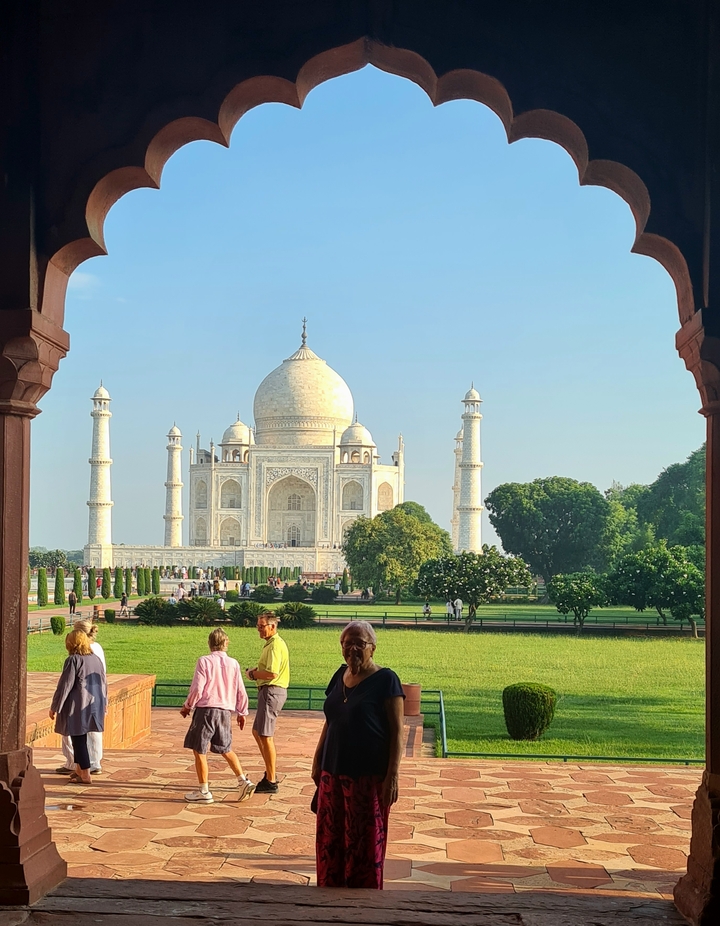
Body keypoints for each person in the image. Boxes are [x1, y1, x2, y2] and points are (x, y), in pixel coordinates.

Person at [312, 621, 404, 889]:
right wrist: (318, 760)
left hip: (367, 778)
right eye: (347, 643)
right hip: (332, 774)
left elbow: (398, 733)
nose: (353, 648)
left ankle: (364, 906)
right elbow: (330, 721)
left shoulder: (386, 680)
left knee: (363, 845)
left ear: (372, 648)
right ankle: (329, 899)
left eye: (360, 643)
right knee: (330, 841)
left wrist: (392, 777)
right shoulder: (339, 675)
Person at [180, 627, 253, 803]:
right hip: (225, 712)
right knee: (226, 748)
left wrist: (188, 705)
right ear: (226, 643)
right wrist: (242, 712)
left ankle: (204, 791)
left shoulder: (204, 661)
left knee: (199, 750)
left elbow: (198, 688)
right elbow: (240, 690)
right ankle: (242, 781)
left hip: (206, 710)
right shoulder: (233, 664)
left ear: (209, 643)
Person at [50, 629, 107, 785]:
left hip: (78, 705)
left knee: (78, 739)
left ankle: (86, 774)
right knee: (80, 737)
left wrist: (55, 707)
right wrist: (104, 704)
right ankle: (79, 770)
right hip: (94, 704)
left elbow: (64, 686)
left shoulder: (73, 660)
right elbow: (103, 683)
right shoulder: (95, 659)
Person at [246, 612, 289, 793]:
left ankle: (271, 779)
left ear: (272, 626)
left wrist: (254, 674)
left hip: (272, 690)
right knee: (258, 732)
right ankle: (270, 772)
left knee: (265, 735)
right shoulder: (272, 644)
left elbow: (272, 674)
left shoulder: (274, 646)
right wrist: (256, 671)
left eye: (262, 626)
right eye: (258, 626)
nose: (259, 629)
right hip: (270, 691)